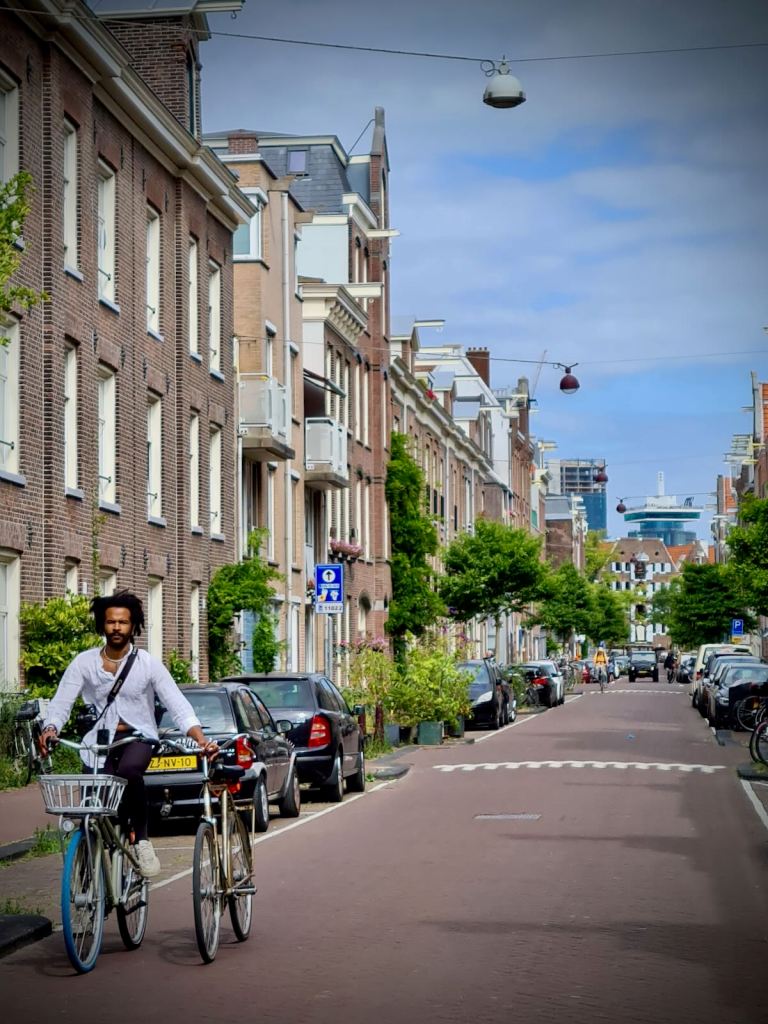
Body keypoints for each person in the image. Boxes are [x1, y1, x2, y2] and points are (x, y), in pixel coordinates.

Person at [39, 591, 218, 878]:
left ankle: (142, 840)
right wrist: (51, 729)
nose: (117, 628)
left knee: (129, 771)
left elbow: (177, 703)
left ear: (133, 626)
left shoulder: (147, 664)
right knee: (91, 804)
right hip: (98, 742)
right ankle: (90, 862)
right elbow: (62, 703)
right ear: (102, 625)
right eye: (111, 622)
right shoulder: (84, 663)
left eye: (123, 622)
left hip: (138, 737)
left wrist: (199, 737)